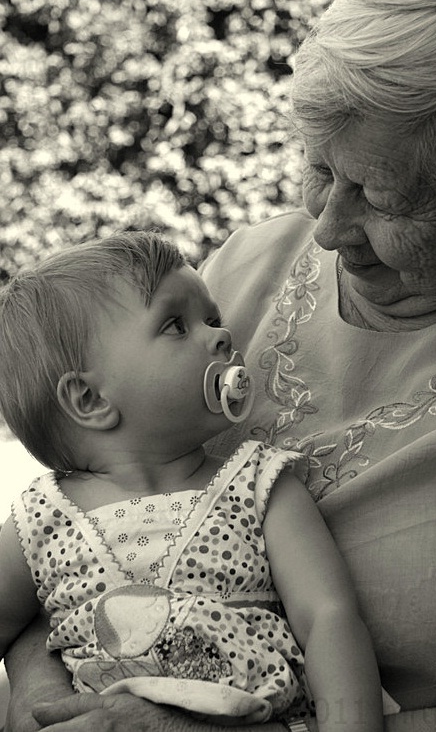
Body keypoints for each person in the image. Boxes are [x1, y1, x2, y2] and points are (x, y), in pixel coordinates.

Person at [4, 0, 436, 729]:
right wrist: (58, 705)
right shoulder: (247, 265)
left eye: (383, 200)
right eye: (319, 167)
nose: (324, 230)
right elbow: (90, 529)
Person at [0, 230, 398, 732]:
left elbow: (328, 618)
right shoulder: (38, 519)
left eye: (212, 318)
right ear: (91, 401)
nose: (222, 336)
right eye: (175, 325)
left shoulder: (259, 483)